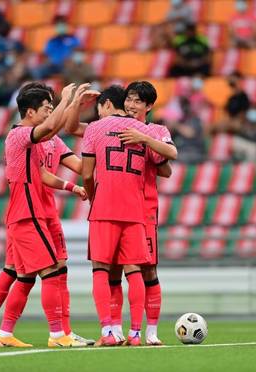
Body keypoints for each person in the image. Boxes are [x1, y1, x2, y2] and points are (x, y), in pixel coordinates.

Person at [0, 83, 97, 347]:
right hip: (26, 214)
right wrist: (68, 99)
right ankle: (56, 335)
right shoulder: (20, 136)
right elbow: (50, 127)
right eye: (47, 107)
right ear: (30, 112)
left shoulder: (49, 140)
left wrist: (101, 148)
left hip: (44, 213)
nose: (51, 111)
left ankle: (6, 333)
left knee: (30, 275)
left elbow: (67, 167)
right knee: (46, 272)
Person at [80, 85, 170, 347]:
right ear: (123, 102)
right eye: (129, 100)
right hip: (134, 210)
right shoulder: (147, 131)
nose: (132, 105)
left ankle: (114, 332)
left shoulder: (99, 128)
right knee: (132, 271)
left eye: (137, 101)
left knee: (105, 269)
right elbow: (167, 167)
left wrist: (93, 196)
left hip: (114, 208)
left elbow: (87, 174)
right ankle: (132, 333)